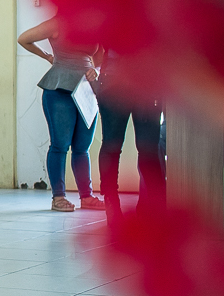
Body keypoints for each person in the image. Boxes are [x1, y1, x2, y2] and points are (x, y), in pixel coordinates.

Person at [18, 18, 105, 212]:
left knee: (83, 147)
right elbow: (23, 39)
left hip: (85, 89)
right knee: (60, 144)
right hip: (59, 89)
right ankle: (58, 197)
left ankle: (87, 196)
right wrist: (48, 56)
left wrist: (96, 71)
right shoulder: (57, 23)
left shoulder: (94, 25)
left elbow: (100, 57)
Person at [98, 51, 165, 222]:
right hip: (114, 81)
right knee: (112, 145)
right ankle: (111, 202)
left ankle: (157, 206)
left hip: (148, 82)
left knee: (148, 147)